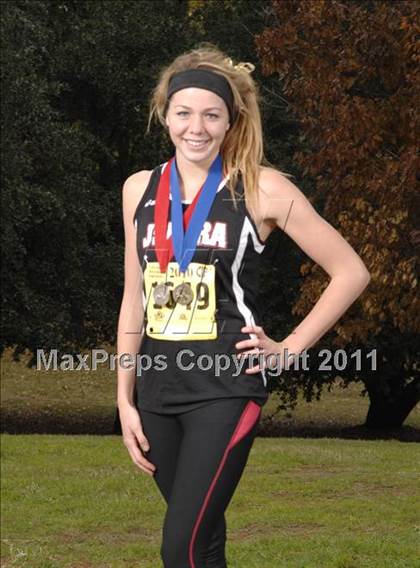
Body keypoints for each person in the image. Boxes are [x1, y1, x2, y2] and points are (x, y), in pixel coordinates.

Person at [116, 45, 370, 568]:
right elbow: (133, 296)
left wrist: (288, 349)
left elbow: (351, 271)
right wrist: (124, 399)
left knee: (181, 546)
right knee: (204, 541)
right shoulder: (138, 189)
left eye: (212, 115)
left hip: (225, 388)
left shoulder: (264, 188)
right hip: (158, 388)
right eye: (184, 112)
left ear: (231, 122)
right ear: (165, 114)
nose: (197, 127)